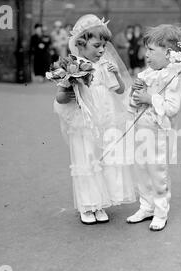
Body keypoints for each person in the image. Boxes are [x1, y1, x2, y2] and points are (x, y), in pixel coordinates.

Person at [53, 14, 136, 225]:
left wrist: (117, 74)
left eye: (104, 46)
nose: (102, 50)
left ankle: (100, 202)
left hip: (105, 120)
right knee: (86, 158)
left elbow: (120, 90)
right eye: (97, 45)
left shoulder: (105, 65)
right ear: (81, 43)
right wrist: (68, 91)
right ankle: (88, 205)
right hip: (84, 122)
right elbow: (60, 98)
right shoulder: (74, 67)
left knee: (102, 159)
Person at [126, 24, 181, 231]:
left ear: (169, 54)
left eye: (152, 50)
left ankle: (161, 211)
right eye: (147, 49)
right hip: (141, 130)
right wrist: (135, 94)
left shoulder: (174, 78)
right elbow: (134, 104)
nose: (147, 55)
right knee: (141, 169)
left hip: (159, 133)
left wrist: (149, 97)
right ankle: (146, 206)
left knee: (157, 171)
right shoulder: (147, 74)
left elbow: (172, 108)